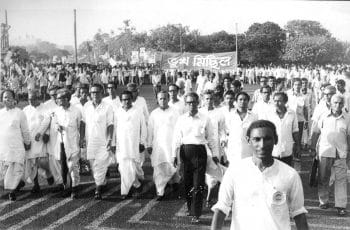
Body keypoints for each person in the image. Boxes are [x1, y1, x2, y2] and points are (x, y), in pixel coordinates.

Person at [211, 120, 309, 230]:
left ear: (275, 140)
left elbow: (299, 214)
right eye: (256, 139)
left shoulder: (290, 174)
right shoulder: (235, 171)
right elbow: (221, 209)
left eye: (267, 139)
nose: (262, 145)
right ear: (248, 141)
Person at [172, 92, 219, 223]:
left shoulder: (205, 118)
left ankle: (195, 213)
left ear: (198, 103)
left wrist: (215, 154)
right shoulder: (181, 119)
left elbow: (211, 138)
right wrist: (173, 155)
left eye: (194, 102)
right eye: (188, 103)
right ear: (185, 104)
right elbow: (176, 138)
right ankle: (190, 207)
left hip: (199, 152)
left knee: (198, 184)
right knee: (187, 183)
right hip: (185, 152)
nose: (191, 105)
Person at [310, 94, 349, 216]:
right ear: (330, 104)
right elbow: (316, 132)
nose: (338, 105)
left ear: (343, 105)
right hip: (325, 151)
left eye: (340, 103)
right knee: (323, 178)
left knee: (341, 180)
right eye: (335, 103)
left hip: (341, 153)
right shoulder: (323, 116)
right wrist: (312, 148)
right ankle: (323, 201)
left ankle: (341, 205)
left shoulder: (347, 118)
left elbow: (349, 137)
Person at [147, 91, 181, 200]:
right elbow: (150, 131)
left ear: (168, 99)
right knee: (158, 167)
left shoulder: (175, 112)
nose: (162, 100)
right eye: (160, 99)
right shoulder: (154, 114)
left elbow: (179, 129)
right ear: (157, 100)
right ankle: (160, 191)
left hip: (171, 144)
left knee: (172, 165)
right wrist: (148, 144)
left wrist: (179, 143)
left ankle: (174, 181)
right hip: (158, 146)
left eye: (164, 98)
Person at [83, 84, 114, 199]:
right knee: (93, 166)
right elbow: (83, 123)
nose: (95, 95)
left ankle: (98, 189)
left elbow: (110, 124)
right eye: (92, 93)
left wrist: (110, 139)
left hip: (103, 141)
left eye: (97, 92)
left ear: (102, 93)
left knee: (100, 164)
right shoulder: (86, 106)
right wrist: (82, 138)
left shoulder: (108, 107)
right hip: (90, 142)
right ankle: (101, 181)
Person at [115, 90, 147, 199]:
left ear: (131, 99)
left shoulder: (137, 111)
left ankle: (128, 189)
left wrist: (142, 142)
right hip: (121, 145)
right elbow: (114, 129)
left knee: (132, 167)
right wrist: (113, 143)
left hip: (133, 144)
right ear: (121, 100)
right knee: (122, 167)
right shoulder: (117, 112)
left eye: (128, 99)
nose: (126, 101)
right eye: (124, 99)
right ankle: (134, 186)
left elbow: (143, 128)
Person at [52, 88, 83, 198]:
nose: (57, 100)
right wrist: (57, 127)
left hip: (73, 142)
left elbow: (82, 125)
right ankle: (67, 186)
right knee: (63, 166)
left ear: (66, 99)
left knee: (73, 166)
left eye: (59, 98)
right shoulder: (57, 111)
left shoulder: (76, 110)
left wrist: (82, 139)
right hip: (61, 143)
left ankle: (75, 187)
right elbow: (55, 123)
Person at [0, 89, 31, 201]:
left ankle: (12, 192)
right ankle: (15, 185)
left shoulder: (19, 113)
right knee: (3, 171)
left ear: (14, 99)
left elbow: (25, 130)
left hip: (16, 147)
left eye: (9, 97)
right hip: (3, 148)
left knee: (15, 170)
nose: (6, 99)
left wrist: (27, 142)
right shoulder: (1, 113)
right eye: (4, 97)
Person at [23, 90, 53, 193]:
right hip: (30, 140)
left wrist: (45, 133)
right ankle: (36, 185)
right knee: (32, 162)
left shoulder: (44, 108)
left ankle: (49, 174)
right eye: (29, 99)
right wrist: (25, 139)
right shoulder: (26, 110)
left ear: (38, 98)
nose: (31, 101)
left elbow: (48, 121)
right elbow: (23, 125)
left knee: (42, 161)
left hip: (41, 140)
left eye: (33, 99)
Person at [199, 90, 226, 207]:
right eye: (207, 99)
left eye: (211, 99)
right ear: (203, 100)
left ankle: (209, 197)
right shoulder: (199, 112)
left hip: (215, 147)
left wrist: (224, 139)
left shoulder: (219, 113)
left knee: (213, 171)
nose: (209, 101)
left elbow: (222, 130)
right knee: (201, 171)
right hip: (201, 146)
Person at [225, 92, 258, 164]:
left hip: (248, 151)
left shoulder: (254, 116)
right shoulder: (230, 116)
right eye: (240, 99)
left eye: (245, 100)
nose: (243, 101)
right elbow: (226, 132)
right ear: (236, 101)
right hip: (233, 152)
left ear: (248, 101)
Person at [268, 92, 300, 166]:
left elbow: (295, 130)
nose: (276, 103)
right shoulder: (269, 114)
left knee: (287, 173)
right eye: (275, 101)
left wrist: (298, 146)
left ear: (285, 102)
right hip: (273, 150)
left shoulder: (292, 113)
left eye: (279, 101)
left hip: (287, 149)